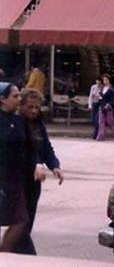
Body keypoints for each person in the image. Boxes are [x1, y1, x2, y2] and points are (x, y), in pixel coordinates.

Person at [14, 88, 63, 255]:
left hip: (34, 181)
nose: (34, 111)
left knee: (27, 221)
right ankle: (28, 257)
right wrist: (37, 163)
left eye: (37, 107)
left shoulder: (38, 124)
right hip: (19, 178)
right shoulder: (17, 124)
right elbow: (26, 148)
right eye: (30, 107)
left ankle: (13, 255)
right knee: (21, 223)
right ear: (21, 106)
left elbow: (45, 148)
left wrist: (55, 165)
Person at [0, 83, 44, 252]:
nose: (19, 99)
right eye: (15, 96)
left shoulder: (19, 121)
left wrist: (37, 164)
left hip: (16, 180)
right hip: (3, 179)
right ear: (2, 100)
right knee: (18, 220)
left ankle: (5, 256)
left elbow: (30, 147)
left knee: (20, 220)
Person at [96, 74, 114, 141]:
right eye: (104, 80)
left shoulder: (112, 89)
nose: (105, 81)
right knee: (101, 121)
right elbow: (101, 96)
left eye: (106, 80)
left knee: (110, 121)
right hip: (102, 106)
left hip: (108, 107)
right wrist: (99, 96)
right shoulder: (102, 88)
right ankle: (100, 136)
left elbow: (112, 98)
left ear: (109, 80)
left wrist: (108, 104)